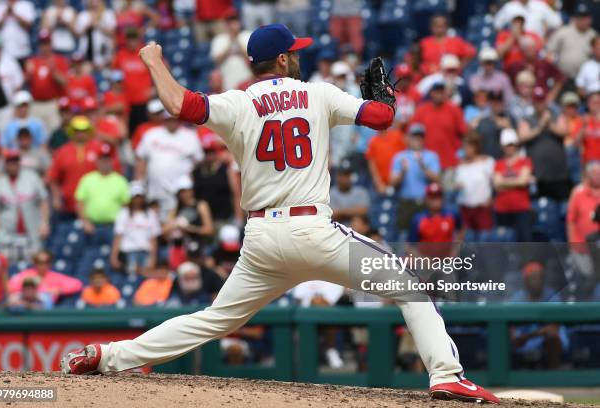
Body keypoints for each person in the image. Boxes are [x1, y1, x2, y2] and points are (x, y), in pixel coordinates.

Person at [62, 24, 499, 404]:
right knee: (409, 288)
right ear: (285, 59)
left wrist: (154, 60)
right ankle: (447, 376)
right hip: (313, 230)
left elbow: (179, 105)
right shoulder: (318, 93)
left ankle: (107, 356)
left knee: (213, 321)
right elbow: (382, 119)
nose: (299, 58)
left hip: (262, 241)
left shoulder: (236, 102)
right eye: (296, 52)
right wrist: (384, 98)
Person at [47, 115, 121, 219]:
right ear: (72, 131)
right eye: (77, 130)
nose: (80, 134)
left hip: (94, 206)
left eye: (84, 130)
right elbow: (53, 177)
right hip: (69, 206)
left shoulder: (99, 148)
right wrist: (56, 197)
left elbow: (113, 170)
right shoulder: (63, 151)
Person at [135, 114, 204, 219]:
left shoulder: (190, 136)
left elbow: (198, 161)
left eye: (174, 120)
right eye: (169, 120)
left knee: (176, 225)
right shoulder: (152, 134)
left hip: (179, 194)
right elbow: (141, 159)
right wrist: (140, 182)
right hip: (155, 191)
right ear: (164, 120)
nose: (172, 123)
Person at [0, 149, 49, 263]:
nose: (12, 164)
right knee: (7, 268)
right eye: (9, 161)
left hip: (32, 233)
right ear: (5, 164)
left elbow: (43, 200)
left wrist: (44, 223)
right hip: (8, 236)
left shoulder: (32, 177)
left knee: (33, 268)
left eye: (15, 161)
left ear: (19, 162)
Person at [510, 262, 567, 369]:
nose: (537, 281)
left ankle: (554, 377)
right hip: (524, 347)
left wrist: (531, 335)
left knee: (552, 339)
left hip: (547, 347)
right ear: (526, 281)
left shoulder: (552, 296)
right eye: (533, 278)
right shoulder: (517, 299)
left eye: (540, 278)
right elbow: (515, 338)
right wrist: (538, 333)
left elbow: (553, 330)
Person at [517, 86, 570, 202]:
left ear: (546, 101)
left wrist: (550, 123)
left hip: (558, 173)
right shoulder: (527, 118)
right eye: (537, 101)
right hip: (538, 174)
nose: (539, 104)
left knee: (562, 211)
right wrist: (541, 125)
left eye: (541, 101)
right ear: (533, 102)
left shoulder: (556, 116)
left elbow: (564, 131)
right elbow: (522, 137)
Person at [390, 124, 441, 240]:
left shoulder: (431, 156)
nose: (417, 140)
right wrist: (402, 171)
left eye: (420, 137)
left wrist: (423, 167)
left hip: (425, 203)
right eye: (414, 137)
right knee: (403, 236)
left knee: (425, 237)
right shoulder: (400, 157)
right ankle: (401, 258)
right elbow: (392, 182)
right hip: (405, 202)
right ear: (408, 138)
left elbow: (437, 179)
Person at [75, 143, 129, 235]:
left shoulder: (121, 181)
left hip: (114, 226)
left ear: (112, 161)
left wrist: (122, 225)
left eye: (107, 159)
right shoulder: (87, 179)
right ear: (97, 161)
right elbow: (80, 203)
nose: (105, 163)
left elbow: (126, 205)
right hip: (92, 225)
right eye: (102, 159)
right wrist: (85, 222)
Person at [411, 81, 467, 171]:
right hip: (427, 163)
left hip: (450, 162)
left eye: (441, 91)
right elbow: (412, 135)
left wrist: (462, 154)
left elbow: (464, 134)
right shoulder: (421, 110)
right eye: (436, 91)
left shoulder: (454, 109)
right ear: (431, 93)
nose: (439, 94)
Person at [493, 128, 534, 242]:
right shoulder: (498, 164)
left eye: (511, 144)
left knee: (525, 243)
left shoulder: (525, 161)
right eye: (507, 145)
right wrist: (517, 181)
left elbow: (523, 181)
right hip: (502, 210)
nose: (509, 147)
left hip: (521, 209)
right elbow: (496, 184)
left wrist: (504, 182)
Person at [110, 181, 160, 275]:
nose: (138, 199)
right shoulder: (123, 214)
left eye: (140, 196)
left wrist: (153, 258)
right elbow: (118, 236)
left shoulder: (150, 214)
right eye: (135, 196)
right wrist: (114, 256)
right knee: (131, 278)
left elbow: (153, 238)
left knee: (145, 279)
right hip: (129, 252)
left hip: (145, 251)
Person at [25, 30, 70, 133]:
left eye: (47, 43)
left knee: (54, 131)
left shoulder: (59, 60)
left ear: (51, 44)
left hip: (52, 103)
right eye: (42, 44)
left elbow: (65, 83)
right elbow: (25, 82)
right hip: (36, 104)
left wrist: (54, 72)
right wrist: (29, 74)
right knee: (35, 132)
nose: (44, 47)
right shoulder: (33, 61)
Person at [454, 133, 495, 240]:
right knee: (468, 244)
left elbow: (495, 182)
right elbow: (457, 183)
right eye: (464, 146)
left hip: (482, 209)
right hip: (465, 209)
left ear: (476, 146)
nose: (466, 149)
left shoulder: (487, 162)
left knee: (484, 242)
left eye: (469, 146)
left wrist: (492, 199)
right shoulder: (460, 165)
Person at [112, 27, 153, 134]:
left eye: (134, 38)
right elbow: (115, 77)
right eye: (129, 39)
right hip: (127, 101)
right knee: (129, 132)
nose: (132, 42)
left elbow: (160, 70)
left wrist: (154, 89)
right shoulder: (120, 55)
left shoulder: (146, 53)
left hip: (143, 101)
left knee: (143, 130)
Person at [504, 36, 565, 104]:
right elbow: (504, 80)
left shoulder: (544, 64)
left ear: (536, 49)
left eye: (532, 48)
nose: (530, 51)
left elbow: (560, 78)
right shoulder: (515, 66)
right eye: (527, 48)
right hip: (520, 102)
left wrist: (551, 96)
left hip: (541, 101)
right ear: (522, 50)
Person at [8, 250, 82, 304]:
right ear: (35, 263)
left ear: (50, 263)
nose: (42, 265)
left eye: (46, 262)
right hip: (26, 304)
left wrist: (60, 290)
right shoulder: (27, 274)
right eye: (39, 262)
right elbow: (10, 286)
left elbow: (77, 284)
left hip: (45, 308)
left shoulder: (55, 276)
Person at [546, 3, 596, 81]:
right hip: (562, 77)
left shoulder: (593, 35)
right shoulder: (563, 32)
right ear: (574, 18)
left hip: (585, 80)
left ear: (590, 19)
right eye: (580, 17)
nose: (583, 20)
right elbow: (549, 52)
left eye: (585, 17)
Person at [0, 33, 24, 133]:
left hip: (5, 108)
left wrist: (15, 107)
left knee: (4, 135)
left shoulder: (10, 63)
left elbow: (18, 84)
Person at [209, 11, 252, 91]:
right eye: (230, 22)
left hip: (247, 80)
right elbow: (217, 60)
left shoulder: (247, 35)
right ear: (225, 24)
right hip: (227, 82)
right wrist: (230, 42)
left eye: (235, 21)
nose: (232, 25)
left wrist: (237, 40)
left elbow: (251, 58)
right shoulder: (219, 39)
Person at [0, 0, 36, 65]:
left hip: (22, 52)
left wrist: (14, 13)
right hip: (3, 53)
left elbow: (28, 25)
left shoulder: (26, 5)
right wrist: (5, 14)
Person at [365, 121, 406, 194]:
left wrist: (399, 177)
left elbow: (404, 156)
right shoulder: (373, 141)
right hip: (381, 185)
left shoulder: (397, 135)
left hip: (399, 183)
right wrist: (379, 184)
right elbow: (372, 164)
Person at [76, 0, 117, 69]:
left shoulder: (108, 14)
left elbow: (112, 32)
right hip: (87, 53)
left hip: (104, 53)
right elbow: (77, 34)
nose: (95, 3)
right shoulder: (83, 15)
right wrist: (88, 26)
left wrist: (98, 25)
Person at [493, 0, 561, 39]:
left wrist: (546, 38)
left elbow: (557, 23)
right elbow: (497, 25)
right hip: (516, 47)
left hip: (536, 46)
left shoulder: (540, 5)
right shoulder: (510, 7)